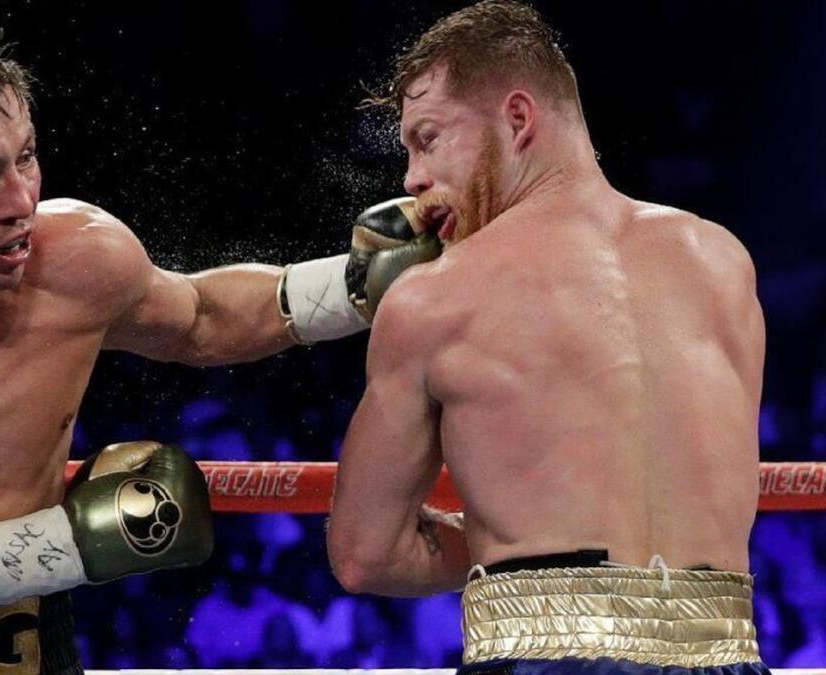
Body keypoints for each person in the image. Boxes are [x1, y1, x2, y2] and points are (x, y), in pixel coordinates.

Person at [0, 23, 435, 675]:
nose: (20, 199)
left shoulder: (77, 258)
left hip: (21, 639)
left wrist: (351, 286)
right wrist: (74, 545)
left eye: (27, 157)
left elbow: (199, 317)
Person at [326, 2, 768, 674]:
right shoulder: (722, 261)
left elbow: (365, 553)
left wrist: (522, 545)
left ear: (517, 118)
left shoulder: (435, 297)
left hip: (543, 655)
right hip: (728, 652)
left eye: (428, 138)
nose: (411, 179)